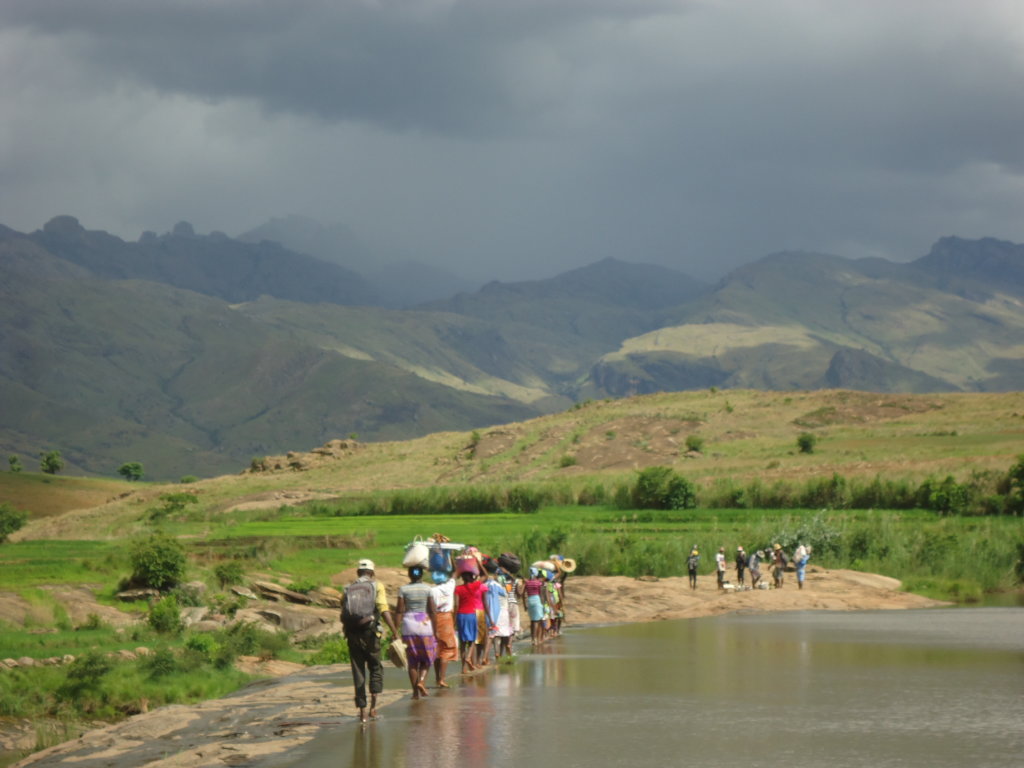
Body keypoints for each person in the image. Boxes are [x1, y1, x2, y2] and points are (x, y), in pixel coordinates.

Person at [341, 558, 398, 724]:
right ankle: (373, 708)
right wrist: (395, 630)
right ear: (372, 573)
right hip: (371, 634)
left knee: (358, 671)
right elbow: (383, 608)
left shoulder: (348, 588)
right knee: (375, 666)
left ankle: (362, 712)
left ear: (358, 572)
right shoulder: (376, 586)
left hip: (352, 634)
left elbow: (344, 611)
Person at [395, 565, 436, 699]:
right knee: (427, 658)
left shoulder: (403, 589)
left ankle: (415, 693)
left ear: (409, 575)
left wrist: (395, 630)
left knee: (412, 661)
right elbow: (432, 610)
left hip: (409, 625)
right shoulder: (428, 589)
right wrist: (436, 630)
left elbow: (400, 611)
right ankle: (422, 681)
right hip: (424, 623)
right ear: (421, 575)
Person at [453, 569, 486, 673]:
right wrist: (479, 565)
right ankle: (468, 657)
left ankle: (463, 668)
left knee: (462, 642)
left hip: (461, 615)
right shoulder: (474, 586)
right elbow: (485, 575)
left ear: (462, 578)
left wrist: (454, 619)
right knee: (472, 640)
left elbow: (456, 605)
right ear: (472, 577)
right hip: (471, 615)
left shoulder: (458, 589)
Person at [429, 569, 457, 688]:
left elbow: (431, 608)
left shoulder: (432, 590)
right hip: (446, 618)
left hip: (435, 619)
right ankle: (442, 678)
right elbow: (455, 574)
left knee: (437, 649)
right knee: (447, 649)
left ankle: (436, 677)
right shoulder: (450, 586)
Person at [523, 567, 546, 645]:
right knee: (536, 621)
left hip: (529, 600)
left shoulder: (527, 583)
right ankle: (535, 639)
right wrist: (543, 605)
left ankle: (533, 639)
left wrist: (524, 605)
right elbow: (540, 594)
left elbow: (523, 594)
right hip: (536, 600)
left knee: (532, 621)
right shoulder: (538, 583)